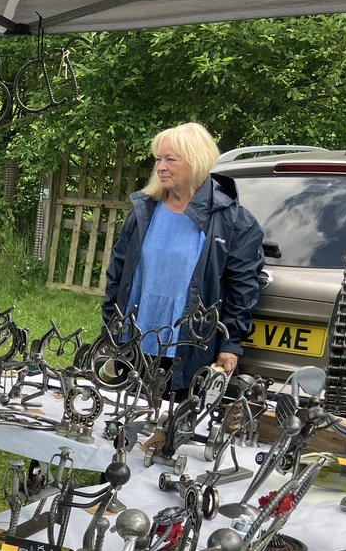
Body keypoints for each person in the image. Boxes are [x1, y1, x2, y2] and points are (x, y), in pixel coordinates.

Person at [103, 122, 264, 393]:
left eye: (170, 159)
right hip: (134, 344)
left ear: (196, 162)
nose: (161, 167)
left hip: (190, 350)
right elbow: (118, 272)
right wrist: (109, 327)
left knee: (175, 425)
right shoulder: (145, 211)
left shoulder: (233, 221)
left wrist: (230, 345)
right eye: (158, 159)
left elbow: (242, 289)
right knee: (122, 419)